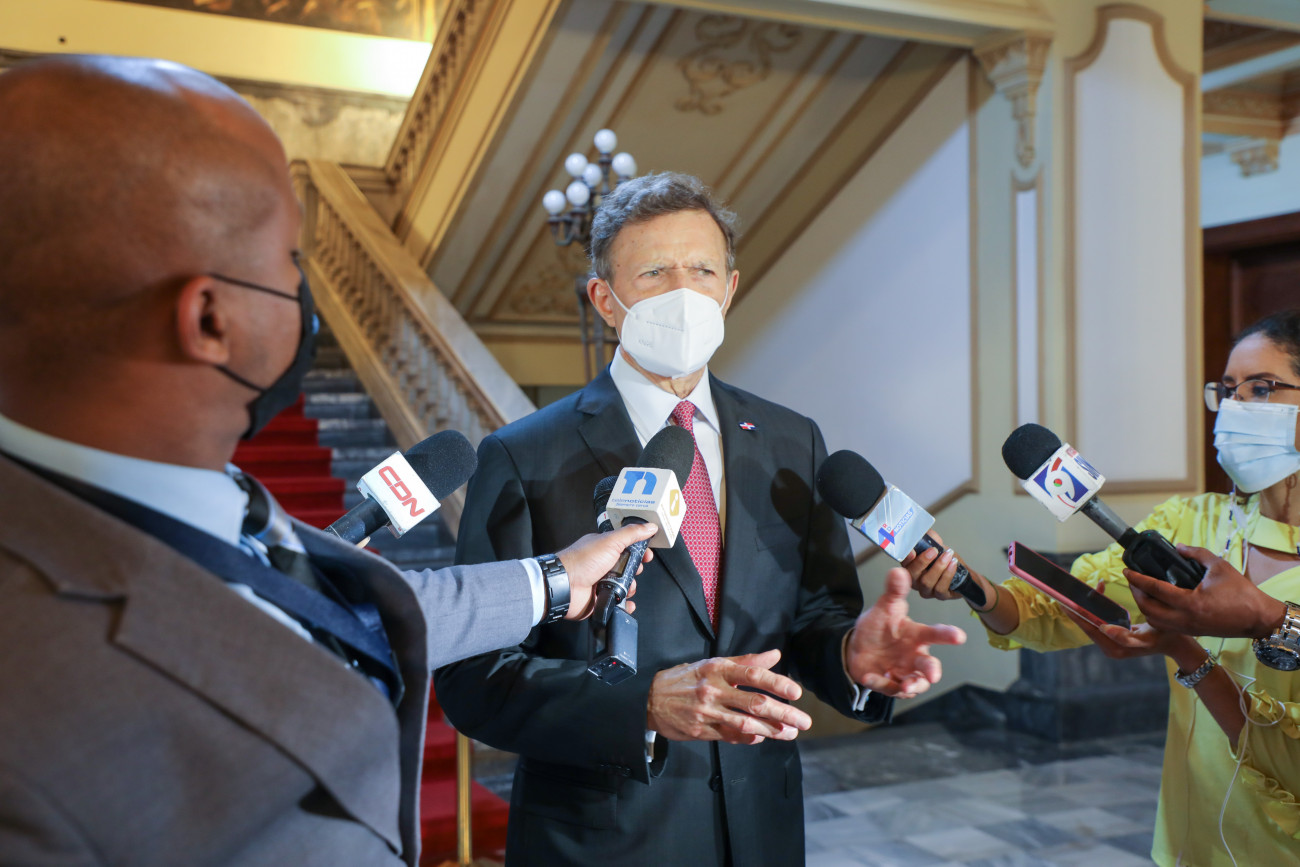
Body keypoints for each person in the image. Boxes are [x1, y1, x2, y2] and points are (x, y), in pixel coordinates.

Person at [0, 55, 659, 867]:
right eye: (290, 260)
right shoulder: (29, 723)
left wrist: (556, 577)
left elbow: (337, 613)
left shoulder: (198, 492)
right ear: (210, 319)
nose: (305, 291)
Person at [434, 172, 966, 866]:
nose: (683, 293)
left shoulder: (791, 441)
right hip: (601, 838)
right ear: (605, 299)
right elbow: (474, 677)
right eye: (654, 273)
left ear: (730, 289)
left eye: (702, 270)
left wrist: (850, 658)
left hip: (761, 829)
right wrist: (642, 705)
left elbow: (812, 619)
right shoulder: (525, 454)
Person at [906, 309, 1300, 866]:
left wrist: (1216, 638)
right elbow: (1058, 609)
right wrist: (975, 589)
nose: (1234, 409)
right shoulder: (1195, 523)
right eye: (1227, 391)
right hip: (1192, 845)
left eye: (1260, 389)